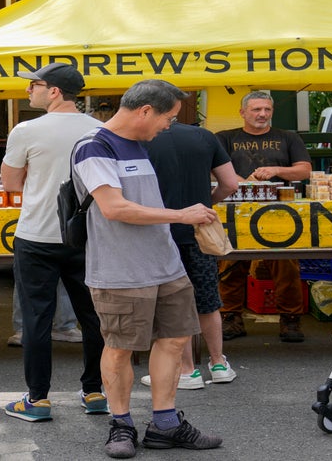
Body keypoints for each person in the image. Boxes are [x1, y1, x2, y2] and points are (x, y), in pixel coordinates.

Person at [72, 79, 223, 458]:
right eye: (168, 117)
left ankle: (166, 424)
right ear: (144, 111)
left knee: (174, 341)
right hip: (120, 270)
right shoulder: (94, 146)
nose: (168, 125)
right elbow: (114, 208)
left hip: (165, 264)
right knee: (120, 347)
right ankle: (121, 425)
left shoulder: (138, 145)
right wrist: (181, 215)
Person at [0, 63, 108, 422]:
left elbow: (12, 183)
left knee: (37, 319)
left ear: (55, 91)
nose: (29, 90)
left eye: (35, 85)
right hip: (87, 236)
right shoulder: (101, 130)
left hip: (37, 235)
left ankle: (38, 399)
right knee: (93, 317)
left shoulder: (26, 130)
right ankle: (95, 391)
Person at [143, 121, 240, 389]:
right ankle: (218, 364)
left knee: (174, 302)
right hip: (200, 230)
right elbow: (231, 184)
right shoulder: (204, 136)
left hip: (159, 231)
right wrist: (206, 203)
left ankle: (186, 370)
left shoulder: (142, 137)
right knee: (207, 300)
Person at [214, 91, 312, 342]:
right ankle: (230, 316)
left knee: (286, 262)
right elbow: (212, 167)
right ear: (243, 112)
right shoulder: (224, 138)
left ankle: (290, 319)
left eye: (267, 110)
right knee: (230, 260)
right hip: (234, 209)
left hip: (281, 213)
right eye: (257, 109)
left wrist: (276, 170)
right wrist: (243, 184)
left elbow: (304, 170)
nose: (262, 114)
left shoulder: (288, 138)